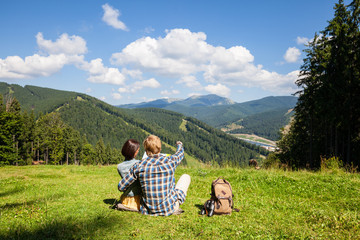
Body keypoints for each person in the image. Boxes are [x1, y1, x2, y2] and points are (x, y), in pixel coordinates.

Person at [118, 135, 191, 216]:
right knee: (186, 177)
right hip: (169, 208)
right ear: (160, 148)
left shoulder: (139, 165)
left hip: (147, 210)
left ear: (146, 151)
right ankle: (176, 199)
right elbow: (180, 154)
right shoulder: (170, 161)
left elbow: (121, 186)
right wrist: (179, 144)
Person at [116, 139, 142, 211]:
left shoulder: (119, 166)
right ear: (134, 152)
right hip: (138, 198)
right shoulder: (139, 163)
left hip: (126, 199)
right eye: (137, 150)